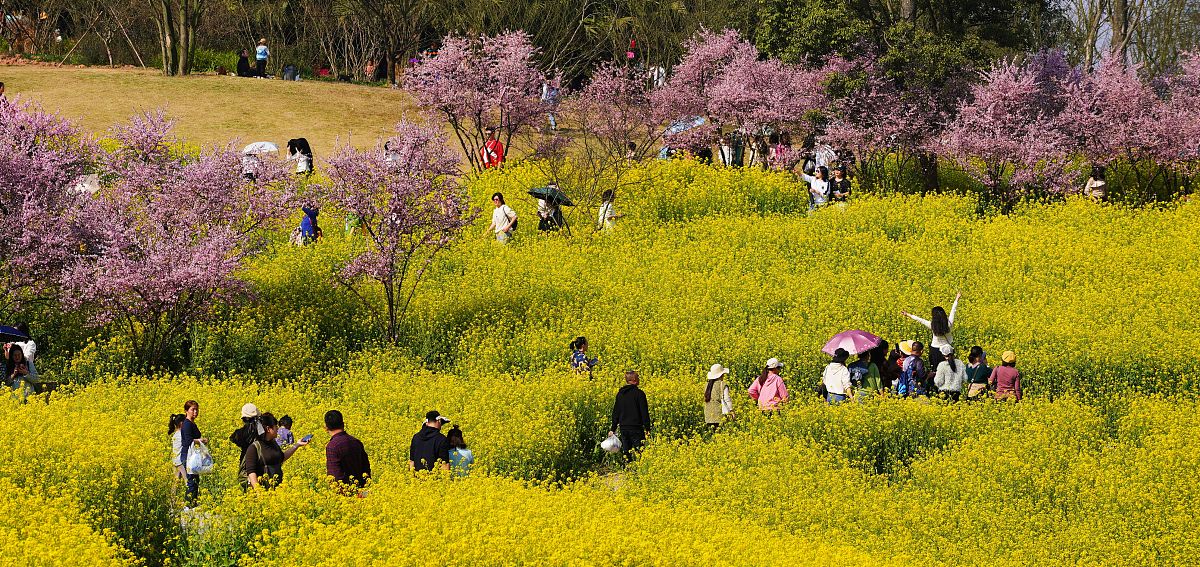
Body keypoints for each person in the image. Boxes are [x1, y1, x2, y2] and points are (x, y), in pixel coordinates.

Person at [240, 412, 309, 490]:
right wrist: (259, 492)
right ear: (268, 429)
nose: (278, 429)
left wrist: (297, 445)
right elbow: (251, 472)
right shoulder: (254, 447)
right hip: (263, 490)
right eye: (275, 426)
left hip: (277, 489)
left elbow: (282, 457)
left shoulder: (273, 443)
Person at [903, 292, 960, 371]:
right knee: (948, 369)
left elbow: (920, 320)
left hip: (935, 350)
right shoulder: (949, 324)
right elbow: (953, 311)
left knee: (935, 369)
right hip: (947, 350)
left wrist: (908, 314)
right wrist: (957, 299)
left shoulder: (932, 325)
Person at [609, 370, 652, 460]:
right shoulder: (639, 394)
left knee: (626, 451)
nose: (639, 379)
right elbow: (644, 413)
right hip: (636, 428)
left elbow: (616, 412)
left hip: (623, 427)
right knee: (639, 451)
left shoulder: (620, 394)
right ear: (634, 380)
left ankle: (628, 470)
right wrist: (647, 428)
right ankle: (639, 470)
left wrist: (613, 428)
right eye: (638, 377)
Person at [325, 410, 372, 490]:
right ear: (343, 424)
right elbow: (366, 470)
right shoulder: (356, 442)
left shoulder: (332, 446)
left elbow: (335, 476)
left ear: (326, 428)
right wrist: (364, 493)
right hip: (362, 493)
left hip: (345, 496)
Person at [179, 400, 208, 507]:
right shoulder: (187, 424)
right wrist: (201, 440)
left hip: (192, 455)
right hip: (188, 455)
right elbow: (188, 441)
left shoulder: (191, 423)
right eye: (193, 409)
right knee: (191, 481)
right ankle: (188, 505)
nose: (195, 412)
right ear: (186, 411)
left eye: (197, 409)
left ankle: (192, 503)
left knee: (195, 480)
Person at [703, 364, 734, 430]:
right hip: (719, 415)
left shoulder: (707, 385)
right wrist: (731, 411)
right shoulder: (722, 384)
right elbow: (727, 399)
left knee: (712, 434)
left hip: (708, 416)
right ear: (721, 374)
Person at [168, 413, 186, 480]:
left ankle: (173, 491)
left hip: (175, 461)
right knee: (188, 482)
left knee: (175, 483)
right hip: (181, 462)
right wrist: (200, 441)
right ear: (181, 423)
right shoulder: (181, 434)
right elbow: (190, 442)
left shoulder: (176, 434)